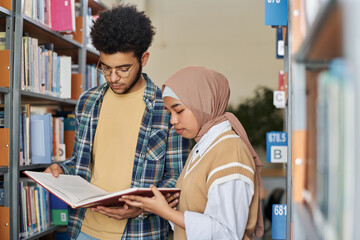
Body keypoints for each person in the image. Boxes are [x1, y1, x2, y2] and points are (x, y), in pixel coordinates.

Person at [45, 4, 189, 240]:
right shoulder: (88, 102)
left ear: (144, 58)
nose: (113, 78)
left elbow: (176, 178)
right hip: (84, 229)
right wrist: (61, 169)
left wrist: (142, 207)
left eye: (123, 69)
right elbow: (80, 163)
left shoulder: (166, 108)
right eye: (106, 68)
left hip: (140, 233)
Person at [122, 66, 265, 240]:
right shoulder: (203, 146)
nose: (173, 120)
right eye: (169, 113)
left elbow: (226, 233)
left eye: (179, 110)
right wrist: (163, 205)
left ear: (203, 103)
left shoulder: (230, 151)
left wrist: (166, 212)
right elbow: (195, 213)